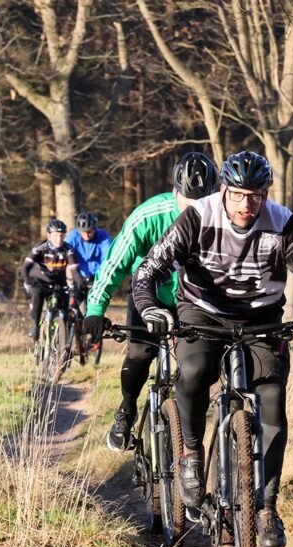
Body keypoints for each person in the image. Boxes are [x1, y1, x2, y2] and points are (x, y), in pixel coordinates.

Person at [132, 150, 293, 547]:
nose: (248, 204)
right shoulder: (198, 217)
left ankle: (265, 508)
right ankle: (190, 454)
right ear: (223, 190)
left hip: (263, 320)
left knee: (273, 402)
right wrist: (151, 307)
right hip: (202, 315)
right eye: (239, 194)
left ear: (266, 194)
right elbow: (149, 270)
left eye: (256, 195)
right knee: (193, 373)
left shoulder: (281, 223)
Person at [83, 152, 219, 451]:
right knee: (140, 353)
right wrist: (95, 309)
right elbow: (114, 263)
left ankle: (188, 437)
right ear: (174, 194)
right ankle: (127, 410)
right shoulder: (149, 215)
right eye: (188, 203)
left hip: (194, 301)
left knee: (197, 365)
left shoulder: (223, 217)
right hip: (150, 296)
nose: (195, 211)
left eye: (203, 203)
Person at [21, 219, 81, 339]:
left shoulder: (68, 250)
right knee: (37, 295)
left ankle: (62, 341)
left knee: (65, 306)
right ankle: (35, 327)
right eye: (55, 236)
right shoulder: (40, 247)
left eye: (61, 235)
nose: (59, 239)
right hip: (38, 280)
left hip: (58, 281)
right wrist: (27, 281)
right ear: (49, 235)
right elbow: (26, 266)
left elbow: (74, 271)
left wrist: (81, 283)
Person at [64, 212, 112, 302]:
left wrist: (102, 279)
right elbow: (64, 250)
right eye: (83, 232)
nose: (86, 235)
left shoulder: (104, 237)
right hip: (78, 275)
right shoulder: (73, 237)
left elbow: (108, 259)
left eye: (89, 232)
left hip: (97, 276)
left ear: (95, 229)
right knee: (71, 303)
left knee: (93, 304)